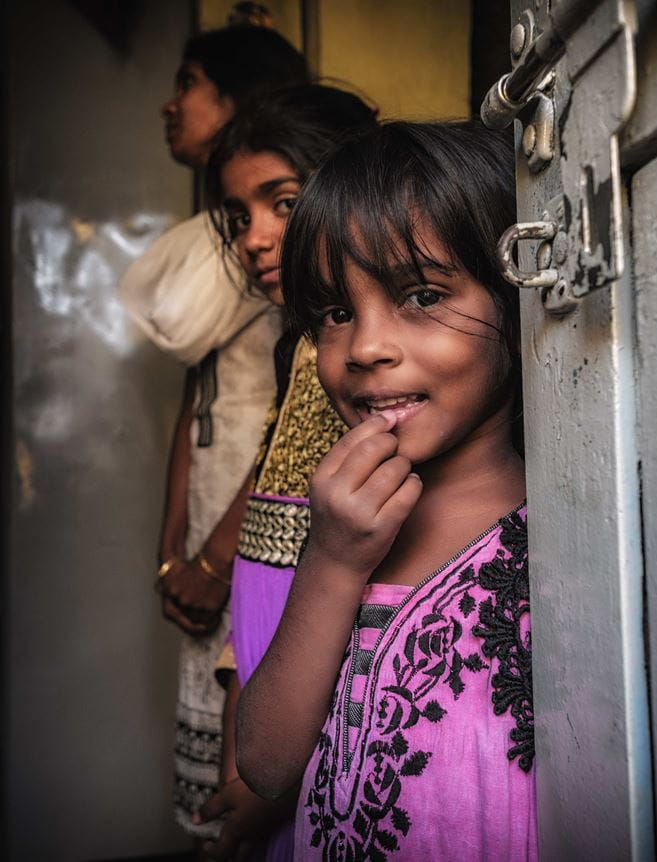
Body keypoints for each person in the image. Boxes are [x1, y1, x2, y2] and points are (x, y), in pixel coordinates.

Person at [238, 121, 536, 860]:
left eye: (422, 295)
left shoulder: (563, 533)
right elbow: (266, 765)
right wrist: (333, 561)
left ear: (513, 300)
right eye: (336, 314)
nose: (366, 348)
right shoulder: (347, 526)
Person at [118, 23, 309, 840]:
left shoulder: (291, 259)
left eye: (189, 81)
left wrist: (210, 559)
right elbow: (195, 398)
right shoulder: (226, 242)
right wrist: (175, 551)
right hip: (214, 524)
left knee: (255, 735)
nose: (171, 104)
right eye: (241, 214)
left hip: (262, 528)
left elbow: (288, 435)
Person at [185, 84, 377, 861]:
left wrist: (269, 776)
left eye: (283, 203)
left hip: (318, 721)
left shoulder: (368, 369)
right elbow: (264, 561)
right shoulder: (297, 350)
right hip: (267, 697)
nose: (255, 239)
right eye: (240, 217)